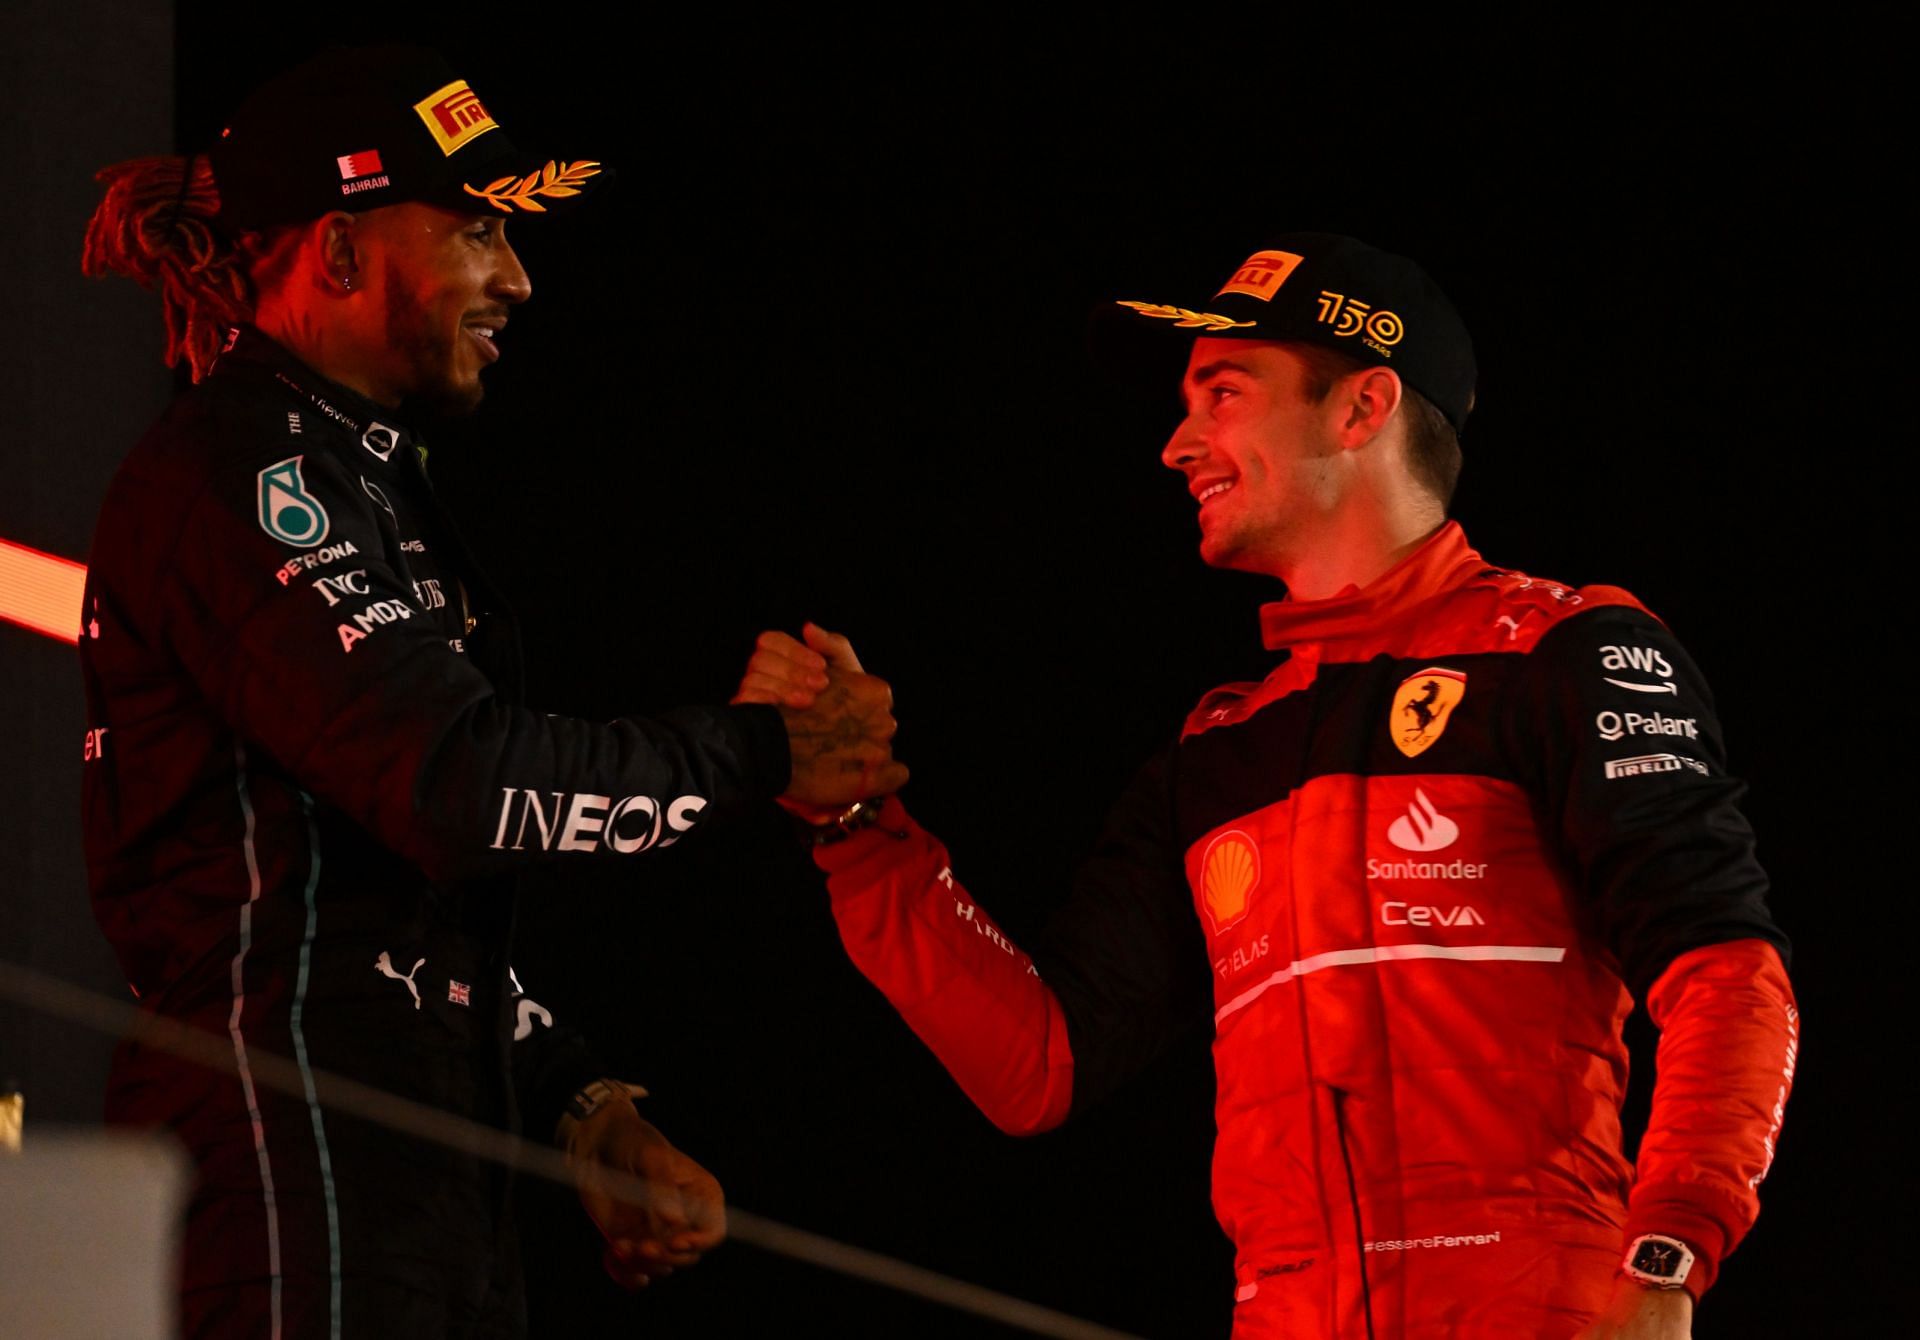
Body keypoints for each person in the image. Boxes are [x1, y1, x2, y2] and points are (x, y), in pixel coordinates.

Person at [741, 234, 1797, 1339]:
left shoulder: (1559, 649)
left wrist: (1669, 1255)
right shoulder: (1217, 747)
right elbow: (1037, 1064)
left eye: (1224, 393)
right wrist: (858, 830)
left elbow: (1726, 968)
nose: (1177, 444)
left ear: (1361, 408)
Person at [77, 45, 903, 1339]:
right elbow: (450, 788)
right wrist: (759, 752)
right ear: (339, 254)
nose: (516, 280)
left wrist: (583, 1107)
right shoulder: (238, 470)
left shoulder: (345, 474)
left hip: (400, 1152)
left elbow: (382, 905)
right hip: (287, 1147)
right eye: (476, 232)